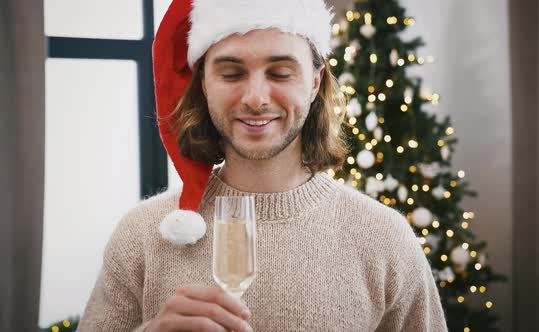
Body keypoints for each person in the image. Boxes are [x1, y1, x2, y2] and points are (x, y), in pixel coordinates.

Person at [78, 0, 448, 331]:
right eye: (232, 73)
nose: (255, 99)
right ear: (204, 84)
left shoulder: (384, 239)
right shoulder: (141, 236)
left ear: (316, 81)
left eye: (281, 73)